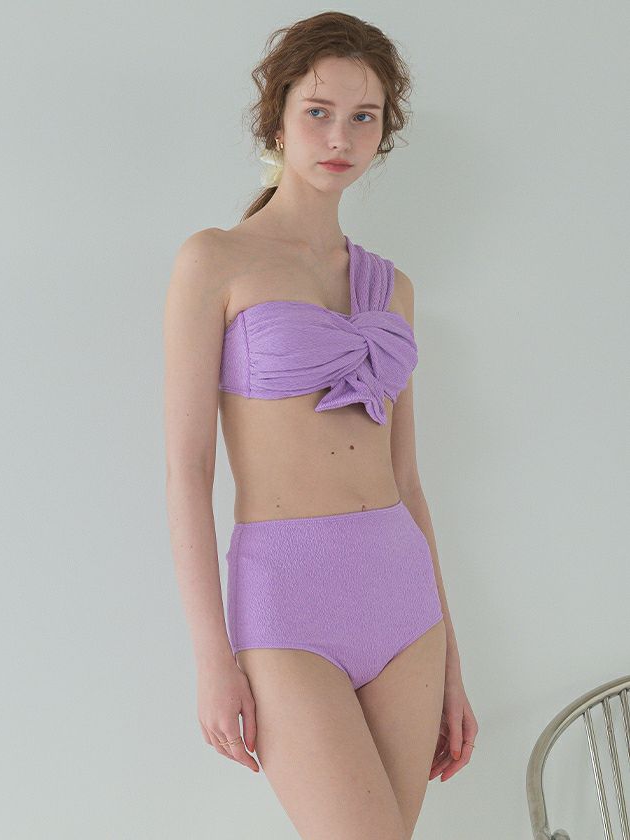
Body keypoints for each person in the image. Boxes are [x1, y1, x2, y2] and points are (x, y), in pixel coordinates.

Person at [164, 11, 478, 839]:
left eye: (363, 117)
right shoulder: (214, 260)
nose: (340, 136)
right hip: (286, 600)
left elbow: (408, 481)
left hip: (405, 599)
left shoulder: (392, 287)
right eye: (318, 111)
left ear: (384, 132)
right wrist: (212, 658)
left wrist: (454, 663)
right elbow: (188, 469)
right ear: (277, 119)